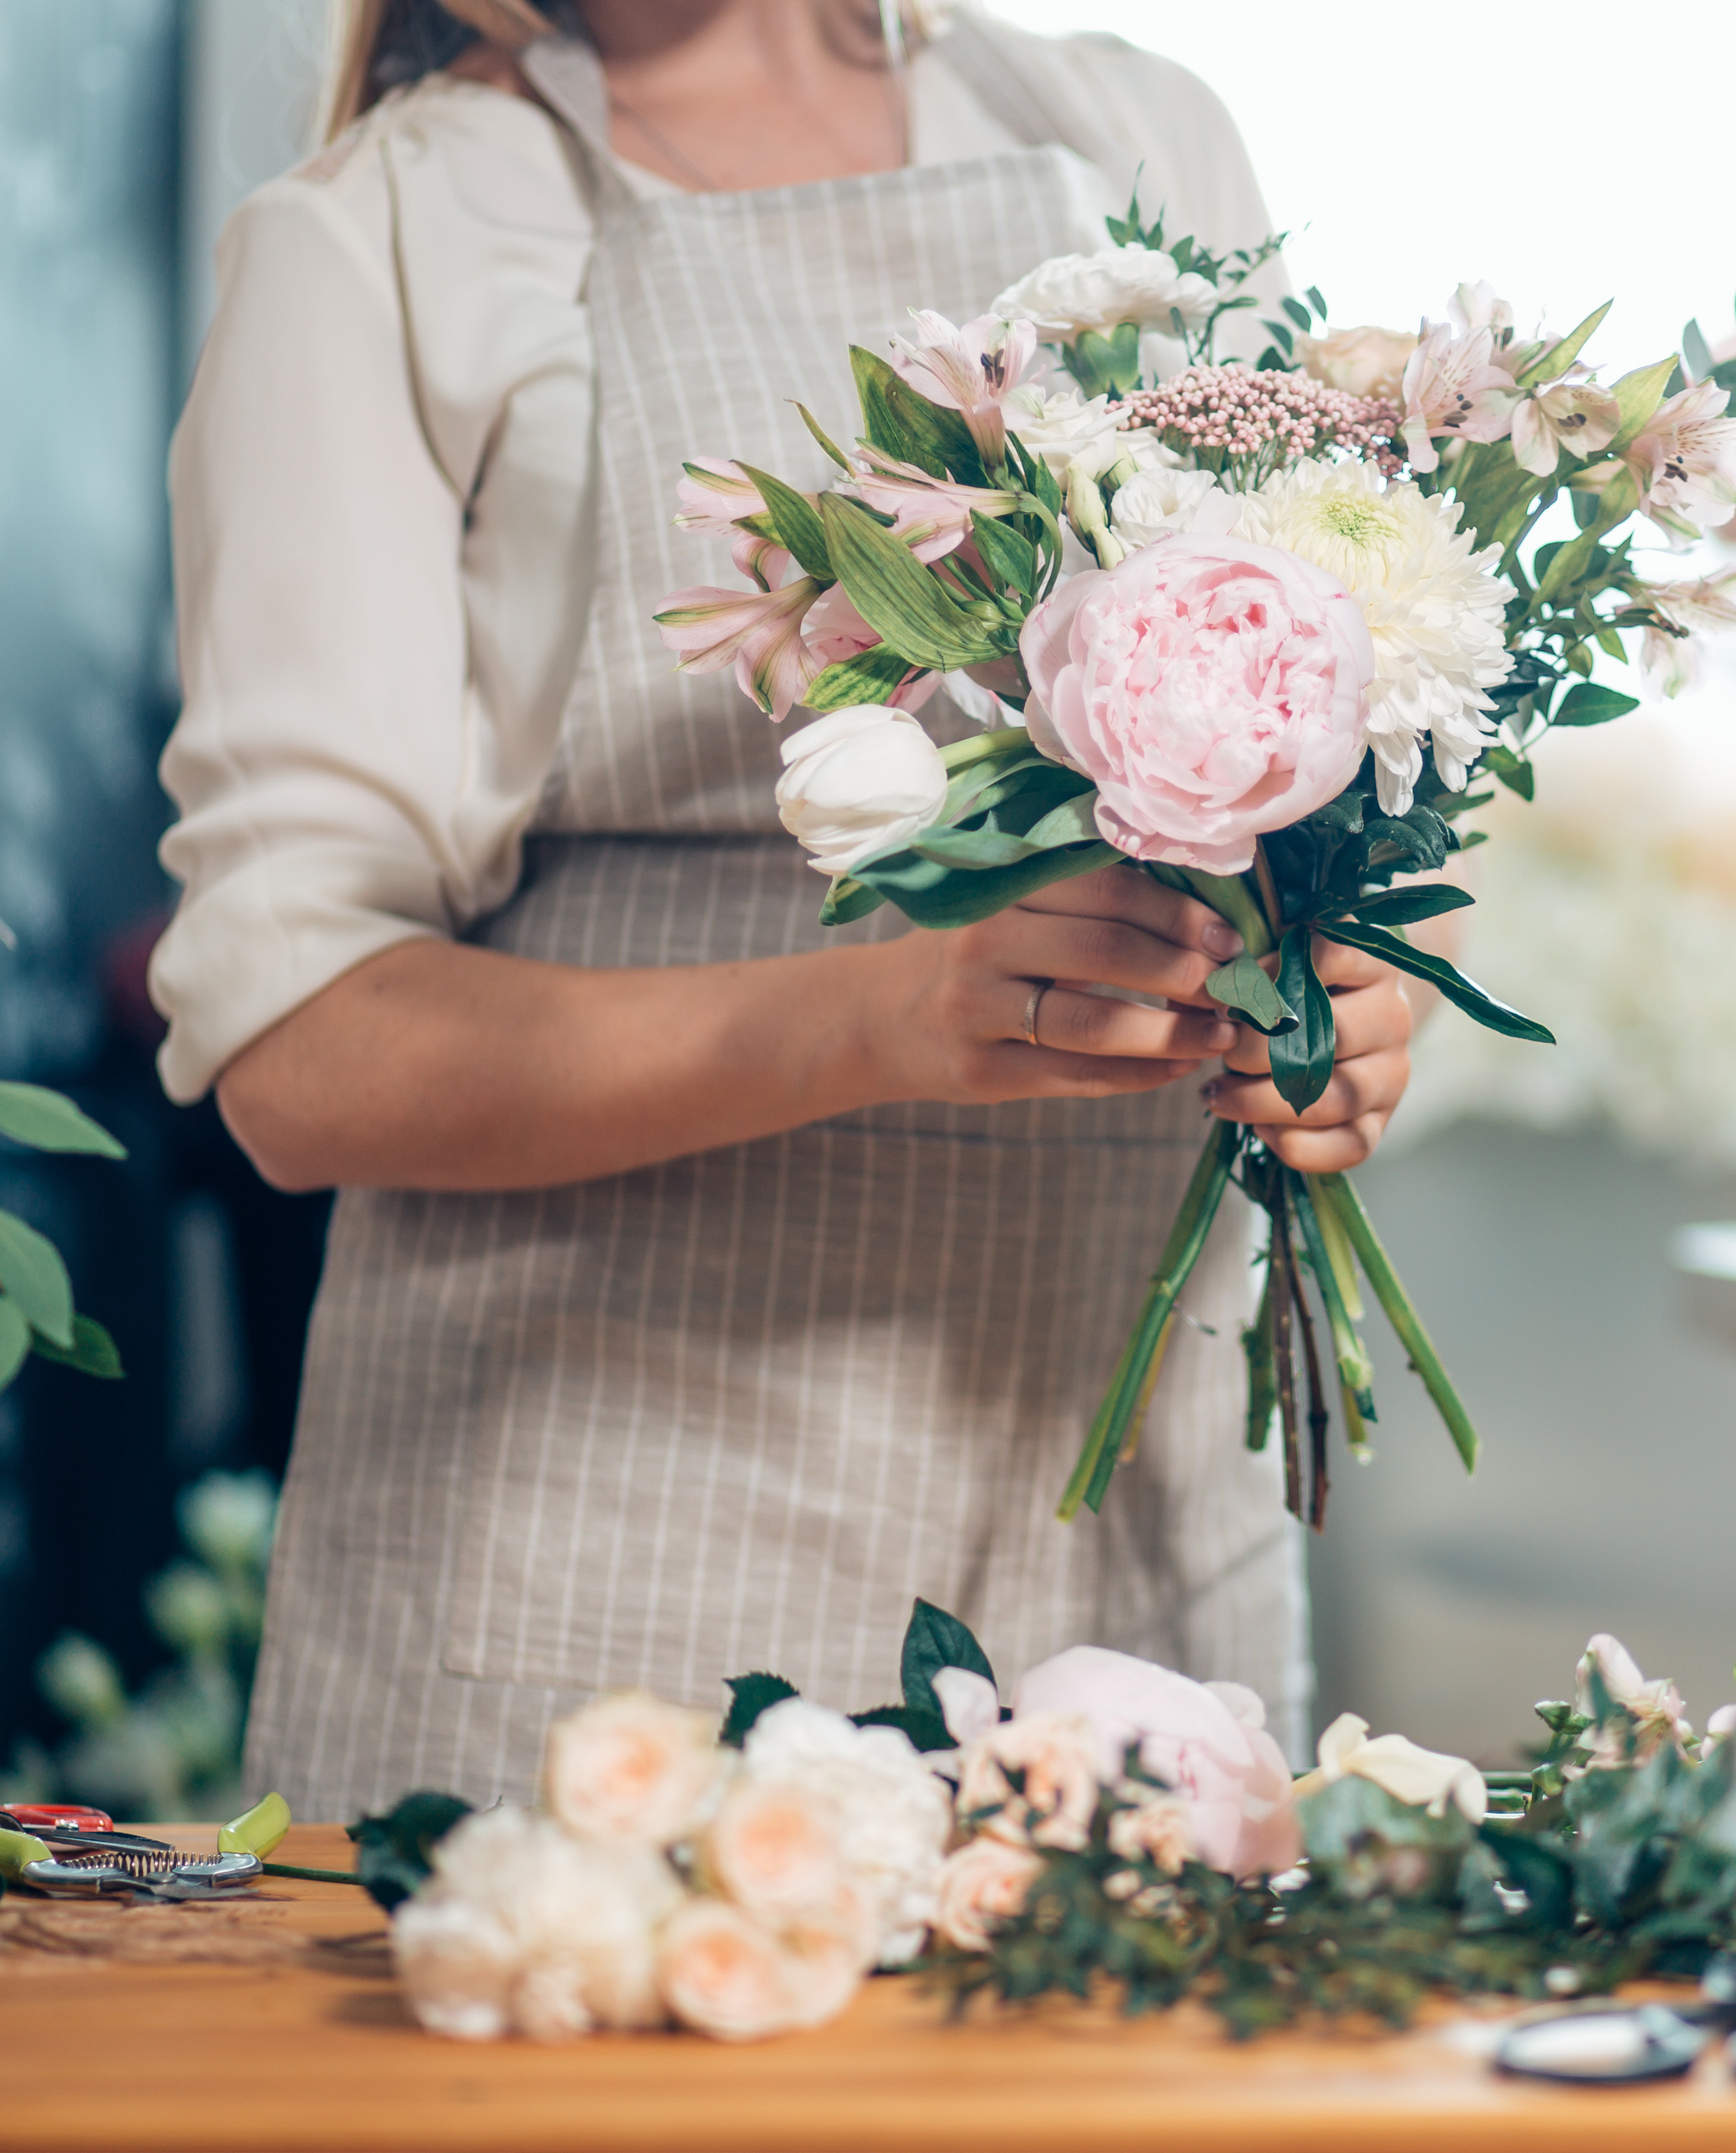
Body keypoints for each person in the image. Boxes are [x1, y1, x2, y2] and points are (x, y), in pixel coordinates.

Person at [153, 0, 1419, 1817]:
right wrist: (887, 1017)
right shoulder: (388, 235)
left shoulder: (1132, 141)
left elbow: (1324, 747)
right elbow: (299, 1050)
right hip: (617, 1582)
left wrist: (1352, 1012)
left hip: (1135, 1559)